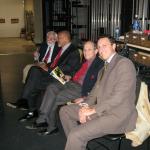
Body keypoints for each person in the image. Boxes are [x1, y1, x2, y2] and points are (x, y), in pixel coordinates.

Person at [59, 36, 138, 150]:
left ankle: (76, 139)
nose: (101, 49)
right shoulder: (103, 69)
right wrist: (85, 106)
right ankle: (77, 144)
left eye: (104, 46)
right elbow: (93, 94)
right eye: (99, 47)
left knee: (75, 134)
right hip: (101, 109)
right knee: (64, 111)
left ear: (114, 46)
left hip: (116, 115)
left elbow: (118, 97)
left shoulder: (124, 64)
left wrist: (92, 110)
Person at [25, 41, 104, 136]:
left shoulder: (100, 65)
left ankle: (47, 123)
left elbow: (99, 85)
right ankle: (43, 118)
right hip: (70, 82)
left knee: (53, 98)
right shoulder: (85, 62)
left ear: (96, 51)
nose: (86, 52)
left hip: (80, 89)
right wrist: (70, 76)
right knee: (51, 87)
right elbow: (77, 73)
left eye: (89, 50)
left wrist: (85, 97)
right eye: (84, 50)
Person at [16, 30, 81, 121]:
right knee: (34, 72)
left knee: (33, 83)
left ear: (65, 38)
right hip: (54, 73)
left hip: (62, 78)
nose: (57, 40)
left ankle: (26, 103)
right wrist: (45, 65)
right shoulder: (63, 48)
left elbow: (69, 68)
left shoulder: (73, 50)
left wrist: (48, 69)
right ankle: (26, 102)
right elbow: (56, 63)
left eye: (59, 38)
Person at [6, 31, 58, 109]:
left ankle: (24, 101)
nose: (49, 40)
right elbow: (37, 60)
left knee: (33, 70)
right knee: (28, 68)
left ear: (55, 39)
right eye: (48, 38)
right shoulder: (44, 45)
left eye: (52, 39)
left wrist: (46, 65)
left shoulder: (59, 48)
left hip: (48, 68)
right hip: (40, 65)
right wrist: (36, 56)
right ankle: (25, 101)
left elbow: (57, 65)